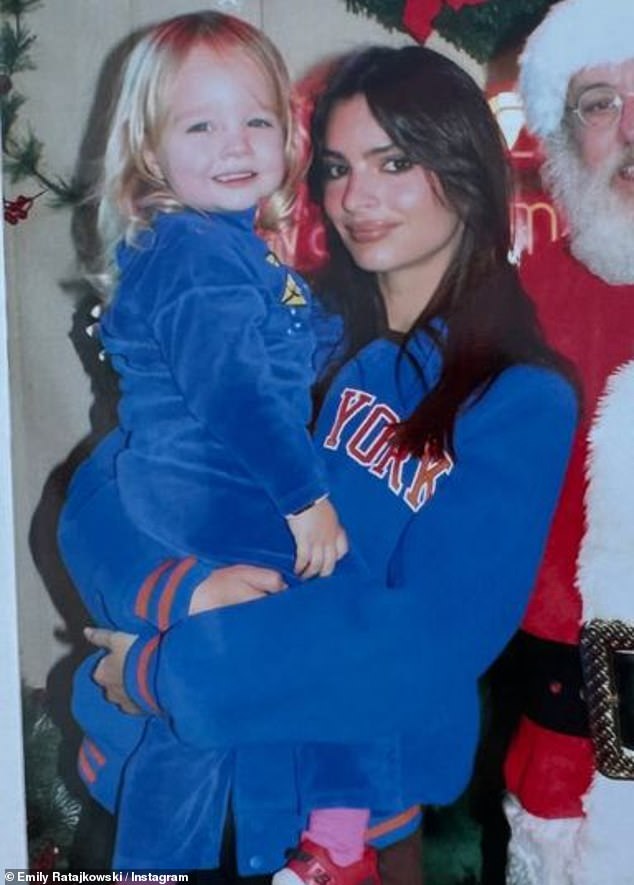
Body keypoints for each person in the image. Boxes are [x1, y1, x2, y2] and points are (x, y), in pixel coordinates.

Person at [60, 43, 578, 882]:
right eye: (336, 167)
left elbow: (432, 640)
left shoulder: (519, 398)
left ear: (469, 171)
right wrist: (178, 591)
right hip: (170, 792)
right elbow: (101, 486)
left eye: (395, 161)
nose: (355, 197)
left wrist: (170, 669)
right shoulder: (282, 330)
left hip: (339, 827)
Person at [60, 11, 393, 884]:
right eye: (199, 125)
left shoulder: (231, 250)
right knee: (270, 661)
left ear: (288, 135)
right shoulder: (192, 254)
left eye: (256, 120)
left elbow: (281, 355)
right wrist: (304, 494)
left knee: (234, 688)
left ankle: (305, 843)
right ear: (148, 150)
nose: (234, 144)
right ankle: (327, 846)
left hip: (215, 494)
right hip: (220, 499)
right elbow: (237, 394)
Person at [486, 0, 634, 882]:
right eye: (598, 102)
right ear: (559, 130)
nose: (631, 129)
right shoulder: (521, 305)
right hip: (571, 746)